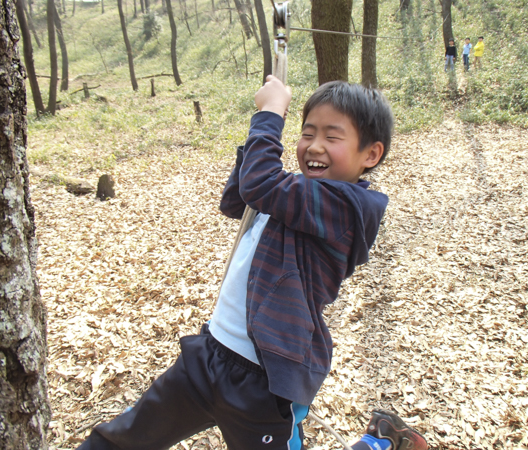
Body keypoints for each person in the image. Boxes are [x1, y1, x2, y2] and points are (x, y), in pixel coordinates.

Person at [76, 77, 428, 450]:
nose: (315, 146)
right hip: (208, 356)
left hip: (264, 382)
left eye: (332, 136)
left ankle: (380, 444)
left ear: (370, 155)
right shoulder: (291, 189)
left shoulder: (345, 208)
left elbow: (259, 184)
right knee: (123, 440)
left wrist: (269, 117)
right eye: (307, 133)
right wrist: (260, 130)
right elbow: (236, 199)